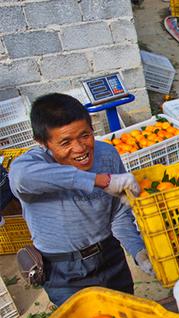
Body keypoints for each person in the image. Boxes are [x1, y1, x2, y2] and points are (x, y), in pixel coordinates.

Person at [9, 93, 154, 306]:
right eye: (65, 142)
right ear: (43, 143)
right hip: (64, 271)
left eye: (85, 135)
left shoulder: (106, 155)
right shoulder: (32, 165)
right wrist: (98, 180)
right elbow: (21, 178)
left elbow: (118, 212)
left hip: (110, 256)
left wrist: (137, 249)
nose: (79, 148)